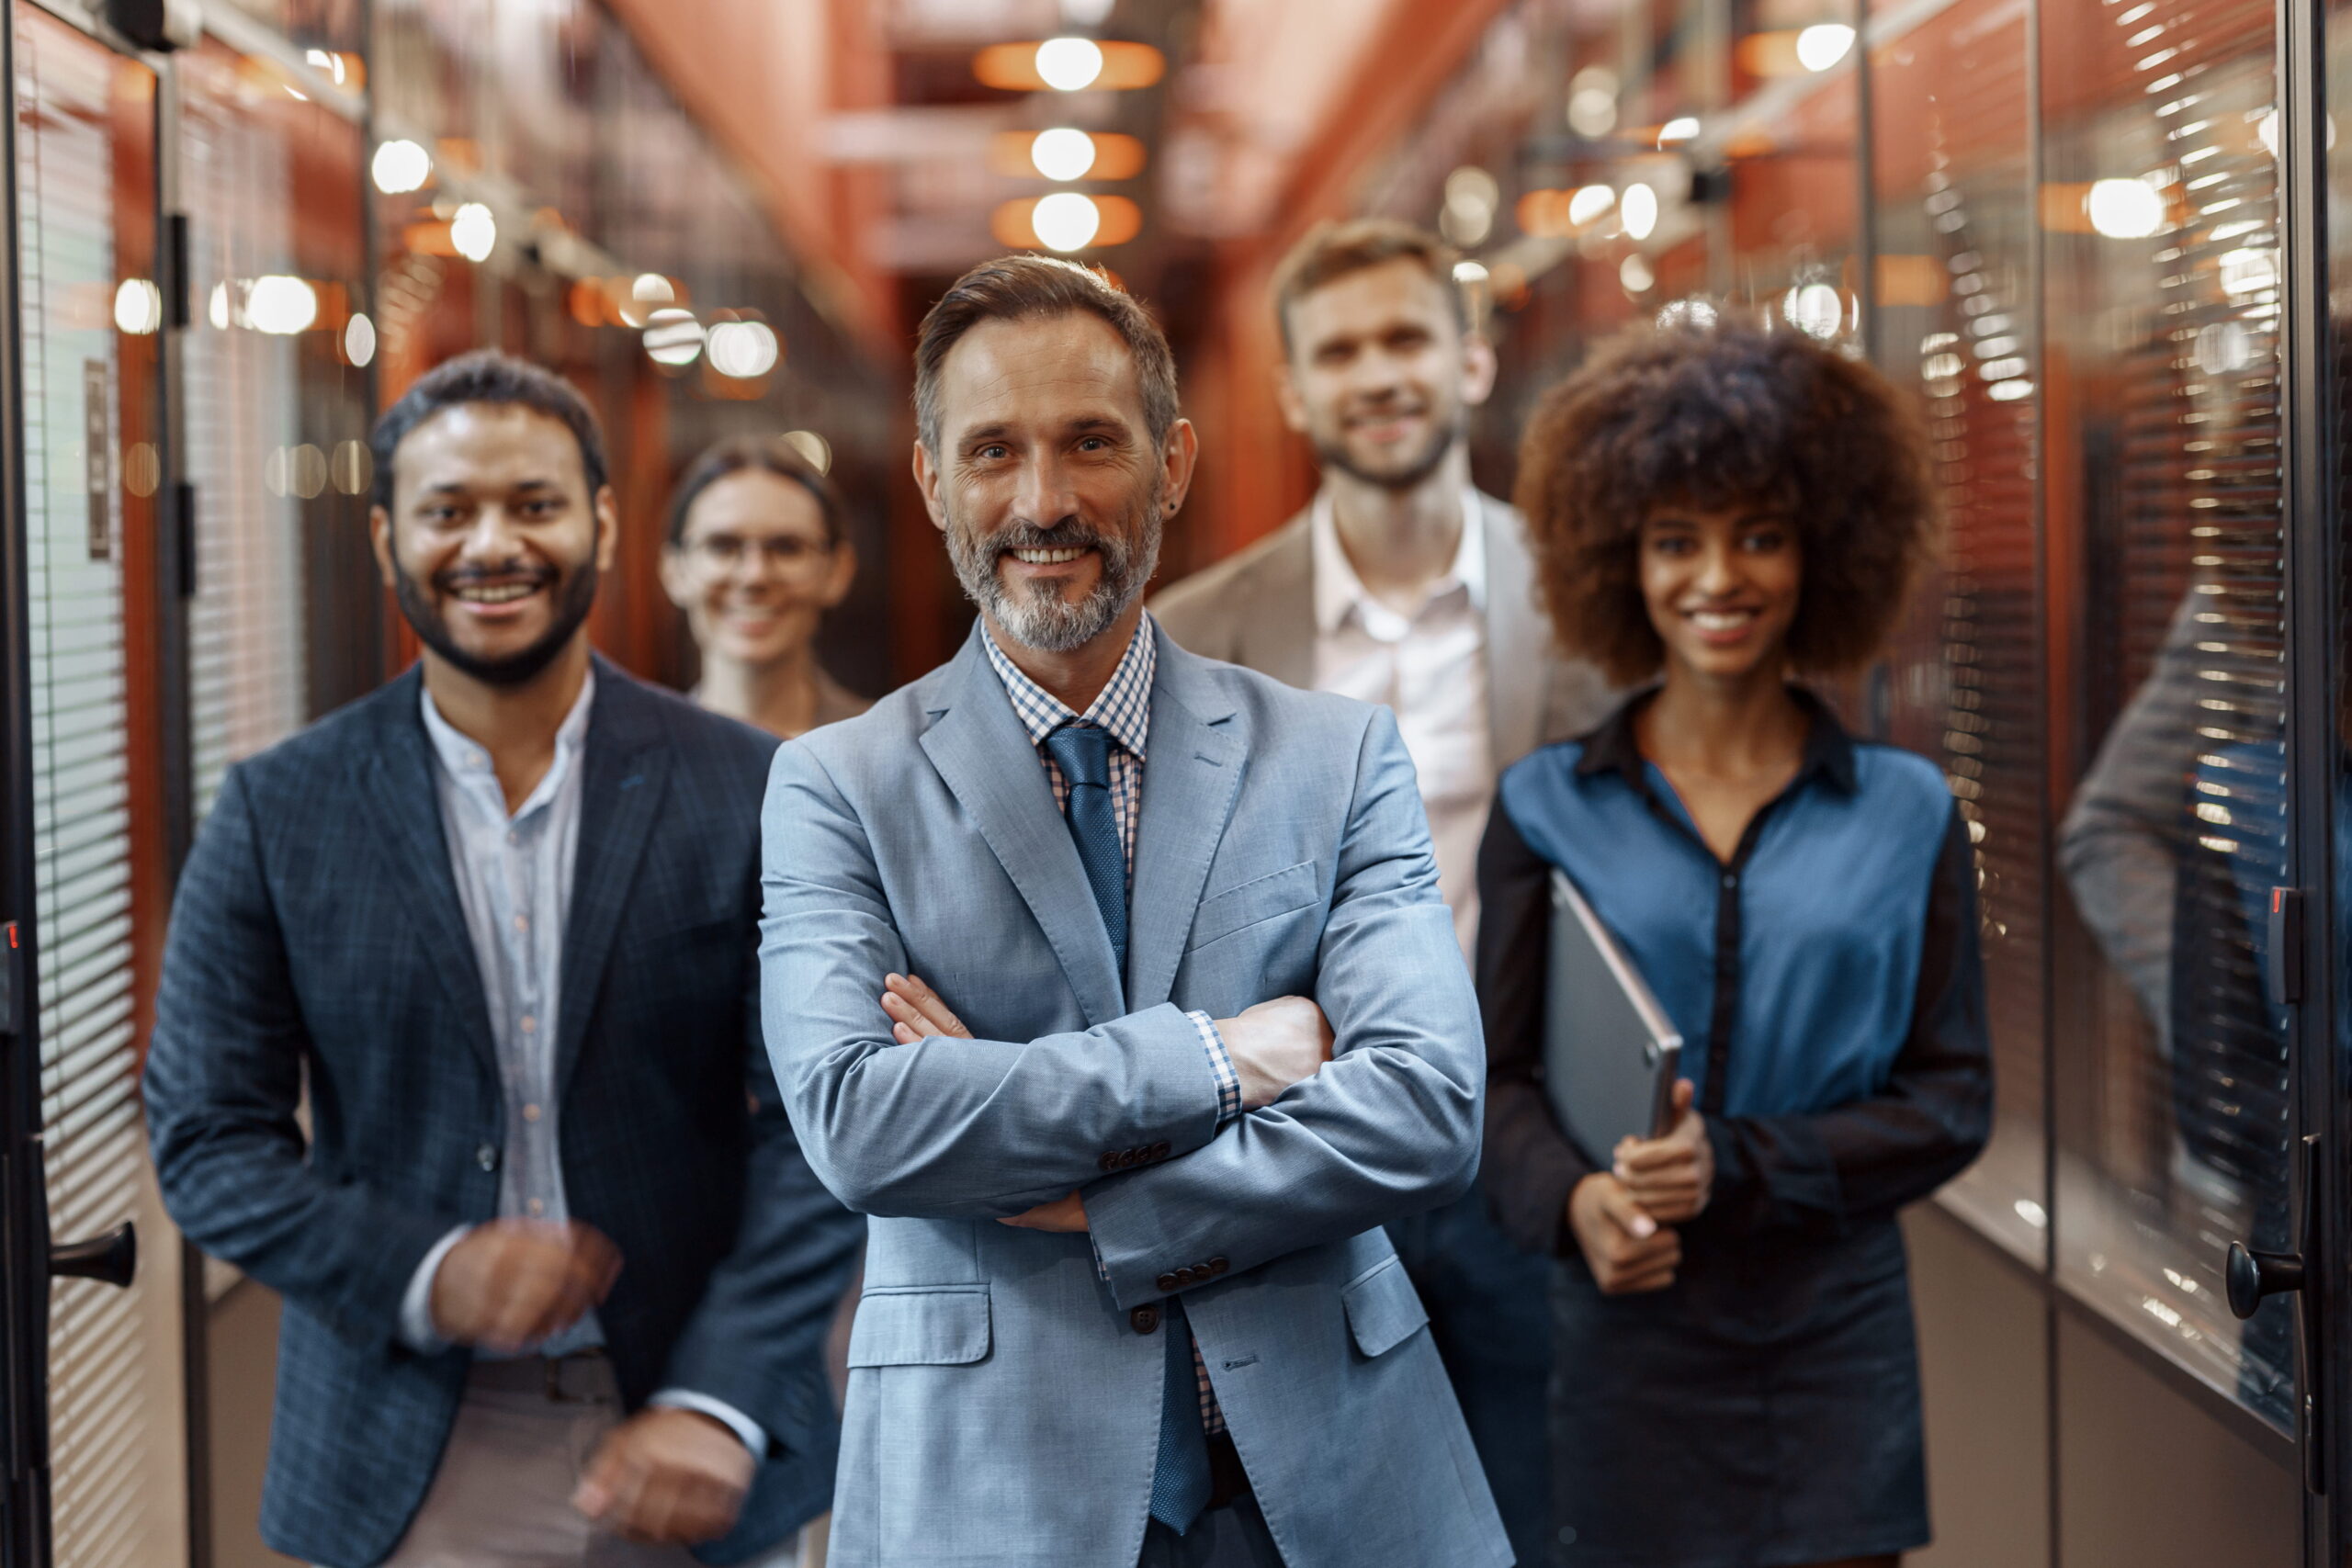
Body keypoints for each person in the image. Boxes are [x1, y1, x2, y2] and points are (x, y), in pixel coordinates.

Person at [759, 254, 1510, 1568]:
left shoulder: (1335, 756)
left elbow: (1429, 1105)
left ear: (1171, 464)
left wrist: (1102, 1205)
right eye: (994, 449)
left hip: (1330, 1482)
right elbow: (860, 1122)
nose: (1043, 502)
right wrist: (1227, 1057)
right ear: (933, 478)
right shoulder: (836, 784)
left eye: (1090, 443)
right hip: (993, 1485)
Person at [144, 351, 863, 1568]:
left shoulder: (744, 784)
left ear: (599, 521)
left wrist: (723, 1388)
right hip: (404, 1441)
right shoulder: (281, 808)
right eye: (448, 510)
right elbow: (208, 1135)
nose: (493, 544)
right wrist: (426, 1265)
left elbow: (821, 1122)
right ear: (386, 538)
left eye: (532, 504)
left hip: (686, 1430)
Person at [1477, 321, 1993, 1568]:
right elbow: (1494, 1087)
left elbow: (1952, 1099)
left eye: (1759, 532)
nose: (1721, 576)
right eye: (1676, 540)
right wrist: (1577, 1196)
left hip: (1836, 1348)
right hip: (1625, 1338)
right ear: (1622, 558)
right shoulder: (1548, 804)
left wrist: (1744, 1163)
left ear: (1823, 550)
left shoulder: (1909, 810)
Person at [1153, 218, 1611, 1562]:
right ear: (1293, 391)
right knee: (1315, 1529)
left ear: (1471, 360)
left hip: (1534, 1143)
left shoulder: (1584, 604)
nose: (1378, 374)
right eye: (1339, 351)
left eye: (1406, 337)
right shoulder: (1202, 632)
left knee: (1538, 1516)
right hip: (1308, 1154)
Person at [662, 434, 869, 738]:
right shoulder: (638, 765)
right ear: (674, 570)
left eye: (787, 548)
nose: (754, 576)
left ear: (838, 571)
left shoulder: (886, 752)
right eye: (723, 546)